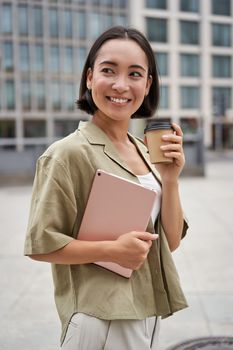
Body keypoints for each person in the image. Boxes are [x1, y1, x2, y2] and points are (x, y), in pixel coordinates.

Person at [24, 26, 188, 350]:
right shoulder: (67, 153)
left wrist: (170, 179)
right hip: (99, 320)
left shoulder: (144, 150)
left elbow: (170, 241)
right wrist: (112, 250)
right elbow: (41, 244)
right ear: (89, 78)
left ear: (148, 84)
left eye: (135, 74)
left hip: (145, 313)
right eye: (108, 70)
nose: (121, 85)